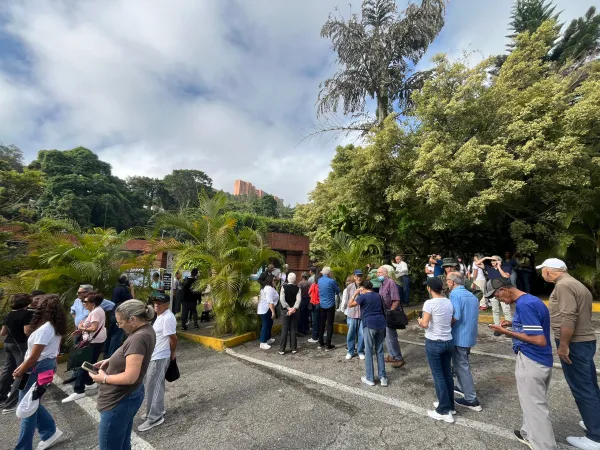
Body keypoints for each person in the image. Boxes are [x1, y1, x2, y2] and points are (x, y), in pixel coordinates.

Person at [487, 278, 557, 450]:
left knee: (536, 408)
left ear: (504, 289)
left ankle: (545, 446)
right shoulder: (531, 300)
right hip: (540, 360)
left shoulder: (524, 305)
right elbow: (535, 324)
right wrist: (513, 323)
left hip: (532, 360)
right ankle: (527, 434)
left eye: (497, 296)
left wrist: (506, 332)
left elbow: (539, 339)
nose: (498, 300)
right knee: (531, 403)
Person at [538, 258, 600, 450]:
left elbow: (569, 316)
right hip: (585, 340)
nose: (542, 273)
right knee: (590, 385)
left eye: (543, 270)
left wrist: (563, 345)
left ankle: (595, 436)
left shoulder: (564, 286)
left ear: (549, 271)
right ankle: (595, 422)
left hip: (575, 343)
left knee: (583, 389)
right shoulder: (575, 283)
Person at [90, 300, 156, 450]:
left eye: (120, 322)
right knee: (122, 442)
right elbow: (132, 357)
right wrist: (111, 360)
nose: (119, 326)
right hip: (129, 395)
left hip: (120, 399)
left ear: (132, 319)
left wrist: (103, 378)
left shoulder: (138, 338)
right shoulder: (145, 330)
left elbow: (130, 376)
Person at [13, 294, 67, 450]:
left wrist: (21, 370)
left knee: (27, 406)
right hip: (41, 366)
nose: (33, 303)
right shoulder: (53, 326)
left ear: (44, 307)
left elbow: (34, 356)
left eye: (37, 302)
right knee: (30, 403)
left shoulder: (46, 328)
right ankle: (49, 432)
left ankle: (24, 447)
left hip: (36, 368)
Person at [418, 277, 455, 424]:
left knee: (438, 376)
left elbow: (425, 324)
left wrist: (420, 322)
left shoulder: (429, 303)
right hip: (448, 341)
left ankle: (443, 411)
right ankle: (448, 404)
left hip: (434, 342)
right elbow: (451, 320)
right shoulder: (448, 301)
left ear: (430, 288)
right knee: (447, 374)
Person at [138, 293, 177, 432]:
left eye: (159, 303)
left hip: (161, 356)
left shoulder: (167, 318)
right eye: (155, 302)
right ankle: (153, 411)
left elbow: (173, 338)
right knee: (150, 385)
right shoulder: (159, 316)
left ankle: (155, 417)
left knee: (155, 387)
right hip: (154, 356)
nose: (156, 305)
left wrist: (172, 353)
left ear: (166, 304)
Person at [446, 272, 482, 412]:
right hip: (469, 336)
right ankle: (461, 387)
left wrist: (444, 326)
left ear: (453, 282)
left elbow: (455, 316)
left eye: (447, 280)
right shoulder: (471, 295)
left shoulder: (455, 294)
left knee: (462, 366)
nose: (446, 282)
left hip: (459, 336)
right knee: (462, 364)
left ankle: (471, 399)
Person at [62, 292, 107, 403]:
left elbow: (93, 328)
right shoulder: (97, 310)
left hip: (93, 341)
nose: (84, 304)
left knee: (83, 365)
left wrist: (81, 327)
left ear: (93, 303)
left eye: (86, 302)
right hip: (96, 341)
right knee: (90, 362)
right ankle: (90, 382)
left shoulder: (96, 312)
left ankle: (79, 390)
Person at [348, 280, 387, 387]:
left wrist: (355, 294)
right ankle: (383, 377)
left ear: (363, 288)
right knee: (380, 350)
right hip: (381, 323)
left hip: (369, 324)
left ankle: (370, 378)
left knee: (369, 350)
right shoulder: (378, 295)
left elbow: (350, 305)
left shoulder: (363, 296)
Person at [0, 293, 33, 414]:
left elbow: (3, 332)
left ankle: (2, 395)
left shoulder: (8, 314)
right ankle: (11, 403)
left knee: (7, 370)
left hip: (8, 343)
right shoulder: (27, 314)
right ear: (26, 303)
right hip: (20, 344)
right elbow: (27, 331)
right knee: (22, 371)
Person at [475, 255, 513, 333]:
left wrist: (499, 267)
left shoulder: (505, 267)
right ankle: (497, 326)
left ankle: (509, 327)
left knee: (506, 309)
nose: (492, 262)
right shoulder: (489, 268)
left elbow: (506, 276)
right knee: (495, 309)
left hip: (503, 291)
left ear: (499, 261)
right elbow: (476, 263)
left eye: (494, 260)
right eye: (491, 260)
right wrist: (486, 258)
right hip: (492, 291)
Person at [378, 266, 404, 369]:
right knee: (387, 336)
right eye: (377, 273)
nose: (378, 274)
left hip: (390, 313)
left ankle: (398, 358)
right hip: (385, 313)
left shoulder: (390, 282)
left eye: (380, 273)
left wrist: (390, 313)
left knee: (391, 336)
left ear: (386, 273)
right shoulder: (382, 283)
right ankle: (391, 355)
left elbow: (396, 300)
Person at [340, 270, 365, 360]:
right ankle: (350, 351)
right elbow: (346, 301)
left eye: (360, 276)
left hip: (362, 314)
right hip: (351, 314)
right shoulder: (349, 287)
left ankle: (360, 351)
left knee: (362, 334)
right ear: (354, 277)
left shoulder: (365, 286)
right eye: (357, 276)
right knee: (351, 334)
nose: (359, 278)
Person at [109, 275, 134, 357]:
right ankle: (112, 356)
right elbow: (132, 301)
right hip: (120, 315)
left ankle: (108, 354)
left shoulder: (115, 288)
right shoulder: (124, 289)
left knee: (112, 335)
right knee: (117, 337)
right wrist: (132, 289)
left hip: (113, 313)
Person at [317, 267, 340, 351]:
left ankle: (320, 342)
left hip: (322, 304)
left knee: (322, 323)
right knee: (329, 324)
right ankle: (328, 344)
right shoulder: (332, 281)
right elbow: (337, 291)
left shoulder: (319, 280)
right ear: (329, 273)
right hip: (330, 305)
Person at [279, 273, 301, 354]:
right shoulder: (298, 288)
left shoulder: (283, 287)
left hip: (285, 310)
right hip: (295, 311)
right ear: (295, 279)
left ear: (287, 279)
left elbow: (282, 300)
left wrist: (288, 308)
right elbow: (298, 300)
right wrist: (293, 308)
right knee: (293, 329)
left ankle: (282, 349)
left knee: (284, 329)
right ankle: (293, 348)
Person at [257, 273, 278, 350]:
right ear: (270, 280)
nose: (275, 281)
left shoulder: (269, 287)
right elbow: (270, 302)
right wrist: (273, 312)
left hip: (267, 309)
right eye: (274, 280)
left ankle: (268, 338)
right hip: (266, 309)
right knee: (266, 325)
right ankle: (262, 342)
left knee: (269, 324)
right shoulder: (268, 288)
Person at [307, 277, 320, 344]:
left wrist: (312, 296)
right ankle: (320, 335)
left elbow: (309, 292)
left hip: (314, 304)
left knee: (314, 322)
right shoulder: (321, 286)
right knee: (320, 320)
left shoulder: (313, 285)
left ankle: (315, 337)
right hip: (320, 304)